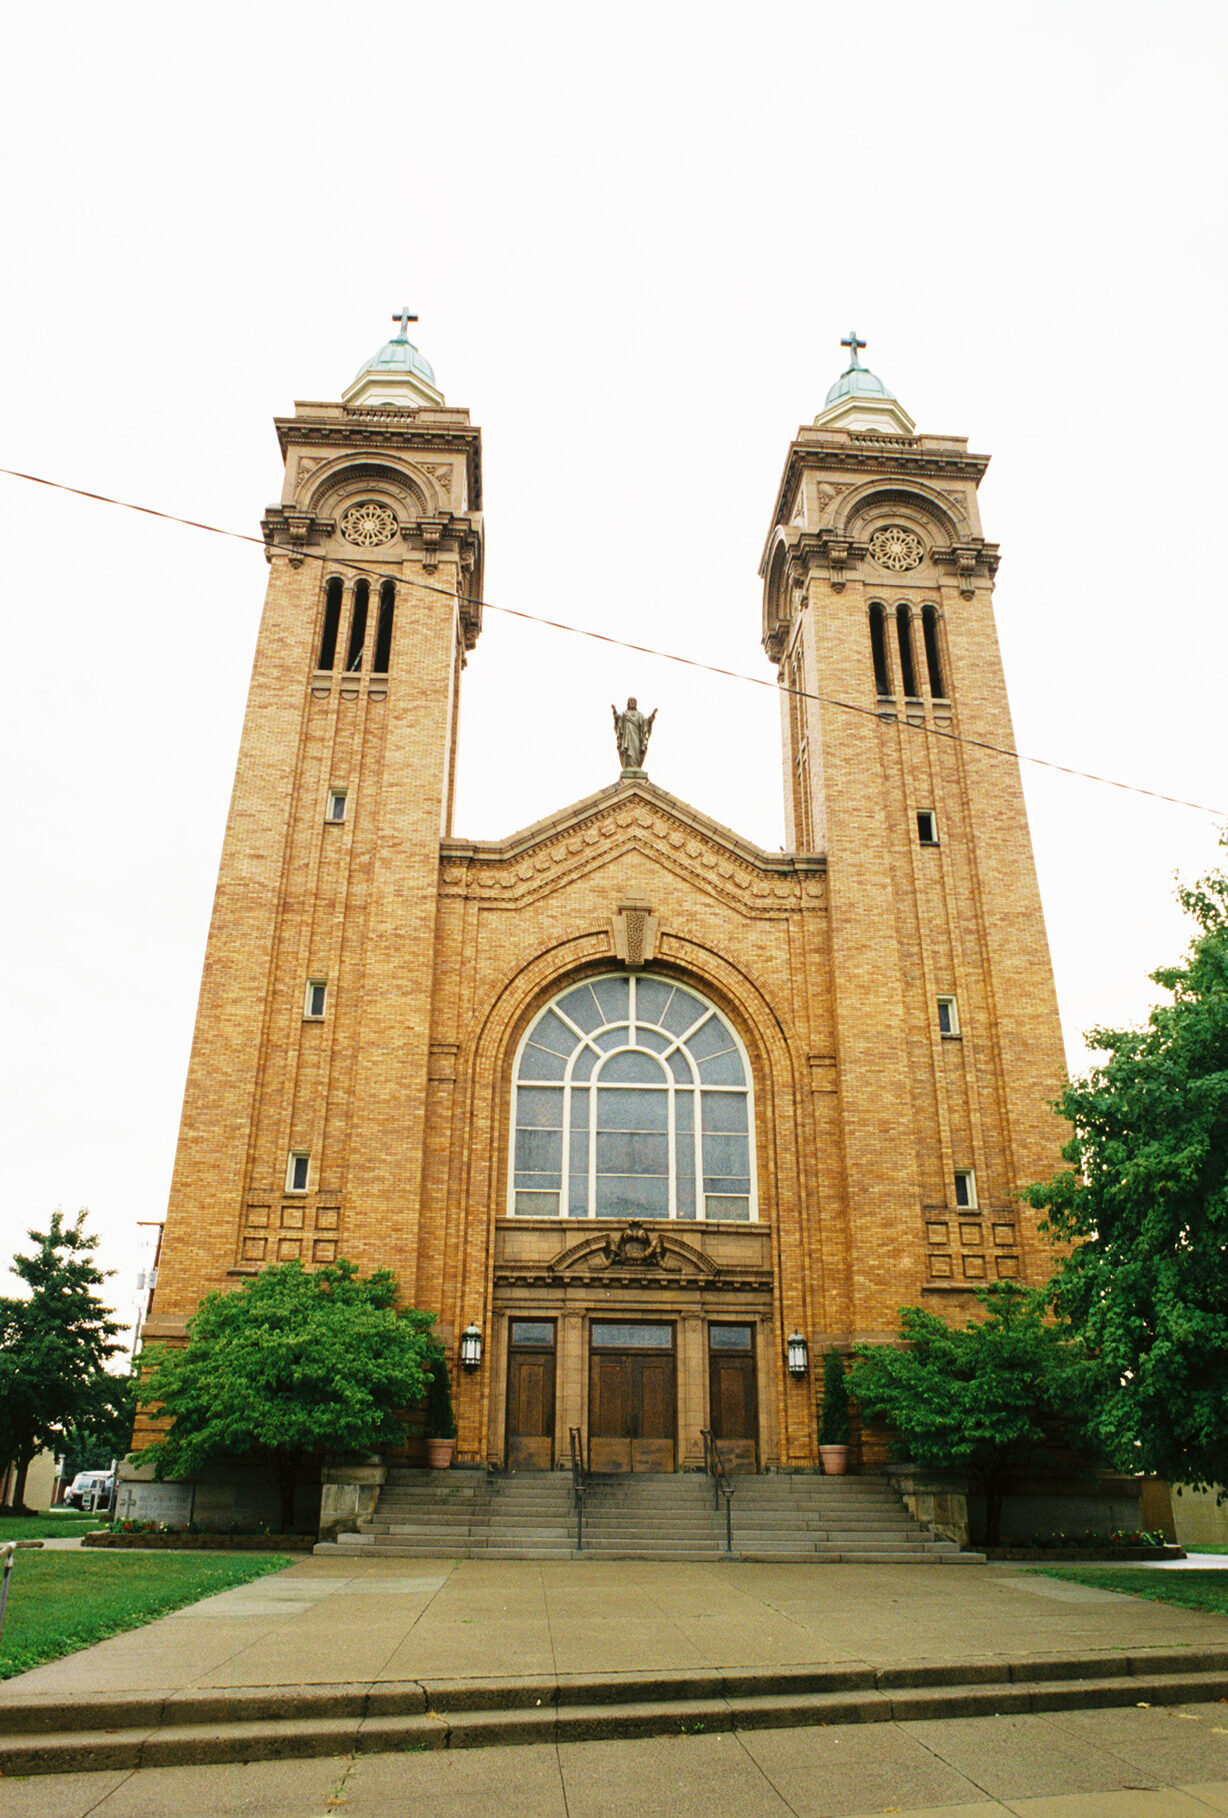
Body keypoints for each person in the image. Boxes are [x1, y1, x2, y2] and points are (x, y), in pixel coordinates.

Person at [612, 696, 657, 771]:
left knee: (636, 752)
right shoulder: (624, 714)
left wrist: (652, 716)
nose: (632, 703)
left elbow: (646, 723)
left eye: (634, 702)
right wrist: (614, 712)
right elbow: (618, 720)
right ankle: (629, 766)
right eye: (631, 701)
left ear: (636, 704)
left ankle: (636, 766)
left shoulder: (640, 715)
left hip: (636, 737)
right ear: (628, 703)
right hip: (627, 736)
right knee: (628, 751)